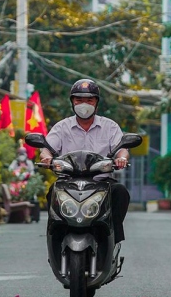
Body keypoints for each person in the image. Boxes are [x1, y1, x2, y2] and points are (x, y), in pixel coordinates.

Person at [40, 79, 132, 244]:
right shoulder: (62, 127)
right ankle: (56, 237)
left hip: (102, 182)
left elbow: (122, 148)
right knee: (52, 192)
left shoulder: (110, 127)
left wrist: (121, 158)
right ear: (72, 102)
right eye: (79, 100)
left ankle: (113, 238)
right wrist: (46, 157)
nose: (84, 104)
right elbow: (47, 148)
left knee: (120, 192)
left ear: (96, 103)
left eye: (89, 100)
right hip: (68, 182)